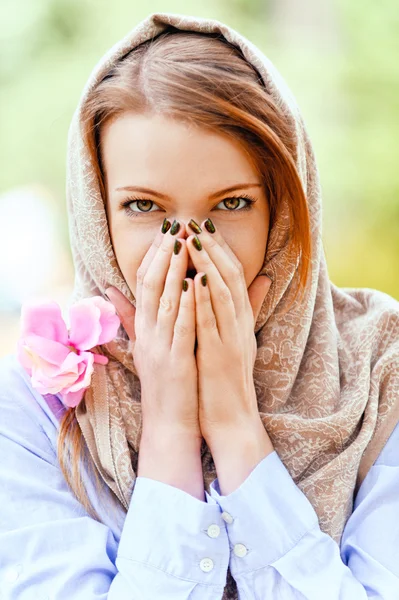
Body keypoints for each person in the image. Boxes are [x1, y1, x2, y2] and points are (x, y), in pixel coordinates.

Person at [1, 11, 399, 600]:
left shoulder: (381, 373)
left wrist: (237, 424)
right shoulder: (37, 401)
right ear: (97, 215)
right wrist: (170, 426)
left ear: (284, 215)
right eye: (143, 208)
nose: (186, 246)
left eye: (232, 204)